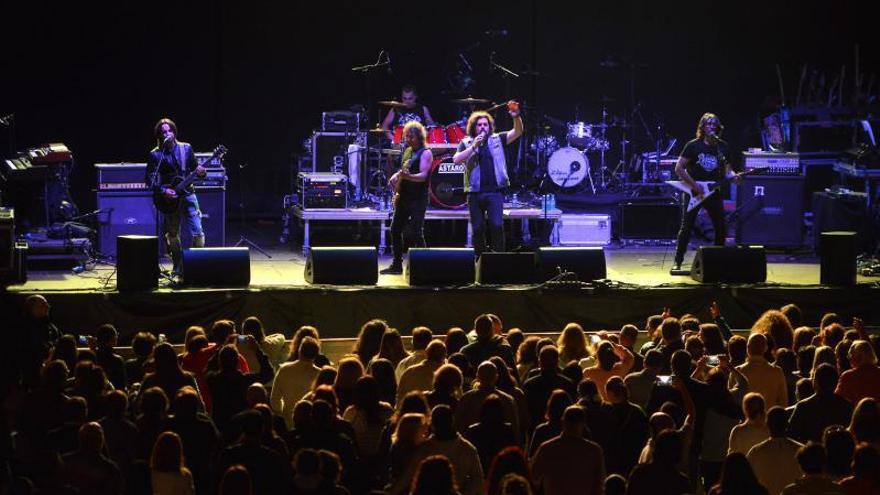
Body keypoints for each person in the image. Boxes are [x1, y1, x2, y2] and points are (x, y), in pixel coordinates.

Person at [671, 112, 740, 272]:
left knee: (720, 226)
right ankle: (678, 261)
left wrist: (735, 177)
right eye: (708, 123)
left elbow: (728, 171)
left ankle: (718, 261)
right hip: (694, 191)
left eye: (714, 124)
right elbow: (678, 168)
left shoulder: (722, 147)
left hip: (713, 191)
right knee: (686, 227)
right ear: (702, 127)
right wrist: (694, 185)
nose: (711, 126)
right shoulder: (693, 145)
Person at [452, 105, 523, 257]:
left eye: (485, 124)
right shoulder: (466, 142)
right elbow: (456, 160)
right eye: (479, 125)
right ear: (474, 127)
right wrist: (474, 146)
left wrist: (516, 117)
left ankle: (498, 260)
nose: (483, 127)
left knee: (497, 226)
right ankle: (480, 261)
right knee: (477, 228)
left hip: (494, 192)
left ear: (489, 126)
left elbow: (517, 132)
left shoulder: (498, 139)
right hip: (474, 193)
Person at [145, 117, 207, 275]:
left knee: (198, 233)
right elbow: (149, 179)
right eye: (163, 131)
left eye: (169, 130)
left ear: (174, 131)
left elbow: (196, 170)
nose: (167, 133)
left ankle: (193, 265)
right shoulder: (155, 154)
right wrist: (164, 191)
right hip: (170, 199)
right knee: (173, 235)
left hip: (188, 195)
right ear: (159, 135)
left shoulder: (186, 148)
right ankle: (178, 266)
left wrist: (201, 173)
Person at [380, 121, 433, 275]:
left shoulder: (426, 152)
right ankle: (397, 265)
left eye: (411, 136)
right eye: (406, 136)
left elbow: (423, 176)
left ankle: (424, 266)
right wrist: (396, 176)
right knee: (395, 229)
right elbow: (403, 169)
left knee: (416, 232)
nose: (408, 139)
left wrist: (407, 177)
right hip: (404, 196)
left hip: (418, 198)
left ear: (419, 137)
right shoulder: (408, 150)